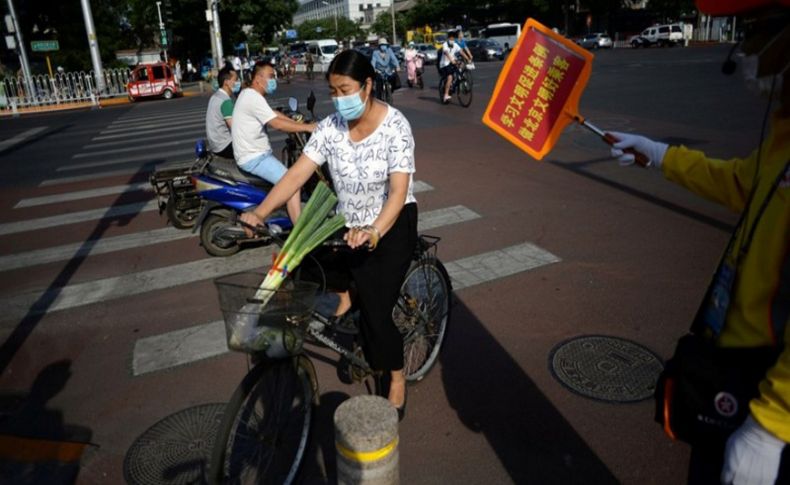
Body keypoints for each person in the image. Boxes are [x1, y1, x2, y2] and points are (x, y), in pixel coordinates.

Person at [608, 1, 790, 483]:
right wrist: (660, 154)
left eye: (756, 30)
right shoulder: (784, 132)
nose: (744, 50)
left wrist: (772, 426)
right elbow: (740, 183)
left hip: (773, 392)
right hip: (735, 367)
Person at [240, 50, 418, 419]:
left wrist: (373, 230)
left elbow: (399, 192)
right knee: (307, 272)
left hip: (390, 222)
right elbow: (295, 175)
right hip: (345, 222)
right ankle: (347, 298)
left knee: (376, 309)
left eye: (345, 89)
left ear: (367, 86)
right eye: (333, 91)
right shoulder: (330, 128)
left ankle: (396, 375)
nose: (338, 99)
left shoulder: (396, 125)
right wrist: (260, 212)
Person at [232, 61, 316, 223]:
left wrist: (297, 122)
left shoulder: (249, 94)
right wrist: (306, 128)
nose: (274, 80)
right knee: (292, 184)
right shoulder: (253, 98)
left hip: (254, 154)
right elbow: (276, 123)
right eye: (271, 77)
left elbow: (272, 114)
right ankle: (299, 231)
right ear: (258, 79)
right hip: (255, 157)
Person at [205, 66, 239, 160]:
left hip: (214, 144)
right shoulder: (225, 101)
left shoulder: (215, 96)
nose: (238, 83)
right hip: (224, 145)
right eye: (235, 80)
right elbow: (235, 127)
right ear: (226, 82)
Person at [439, 31, 463, 103]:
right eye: (451, 38)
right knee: (450, 77)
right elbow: (446, 53)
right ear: (448, 38)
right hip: (444, 64)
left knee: (460, 66)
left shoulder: (455, 45)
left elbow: (461, 51)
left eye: (453, 38)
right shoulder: (445, 44)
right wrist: (451, 60)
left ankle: (452, 85)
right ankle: (446, 95)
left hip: (451, 63)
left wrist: (468, 58)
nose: (452, 39)